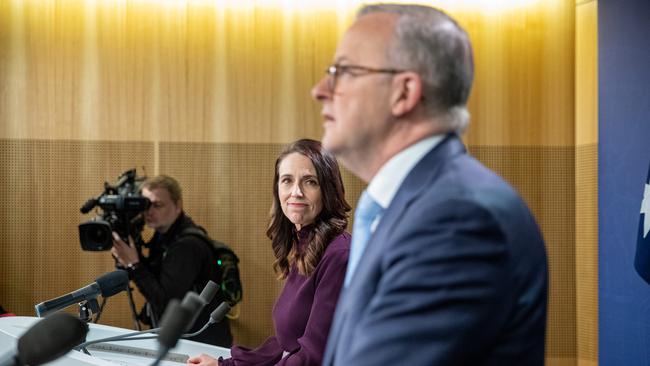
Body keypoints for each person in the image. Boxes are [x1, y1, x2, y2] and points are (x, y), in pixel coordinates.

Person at [311, 4, 548, 366]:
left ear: (404, 92)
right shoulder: (411, 205)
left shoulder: (457, 219)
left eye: (344, 71)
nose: (320, 90)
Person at [187, 139, 351, 366]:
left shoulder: (338, 256)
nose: (296, 192)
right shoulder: (304, 245)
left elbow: (312, 357)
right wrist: (226, 365)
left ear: (328, 189)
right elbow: (285, 343)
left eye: (310, 182)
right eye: (287, 181)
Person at [111, 175, 237, 347]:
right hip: (188, 339)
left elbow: (166, 302)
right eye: (146, 205)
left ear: (178, 205)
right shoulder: (165, 236)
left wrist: (134, 265)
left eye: (157, 205)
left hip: (201, 346)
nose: (149, 211)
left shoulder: (187, 245)